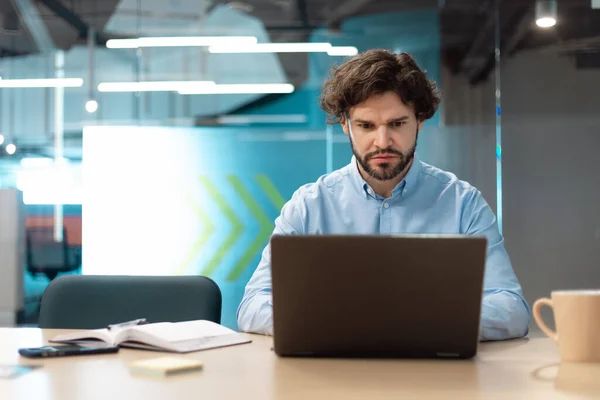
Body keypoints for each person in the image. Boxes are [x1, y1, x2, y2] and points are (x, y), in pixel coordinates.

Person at [237, 49, 530, 341]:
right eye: (366, 126)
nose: (382, 141)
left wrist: (422, 322)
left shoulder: (462, 204)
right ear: (345, 125)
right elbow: (252, 305)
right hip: (333, 376)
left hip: (433, 377)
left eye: (397, 124)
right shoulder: (308, 206)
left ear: (420, 120)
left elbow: (512, 309)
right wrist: (335, 322)